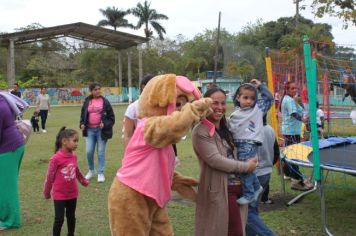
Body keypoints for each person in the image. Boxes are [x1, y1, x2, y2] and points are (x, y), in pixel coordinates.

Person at [192, 87, 257, 236]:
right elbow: (215, 160)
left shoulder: (227, 126)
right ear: (205, 104)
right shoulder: (200, 131)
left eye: (223, 103)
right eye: (215, 103)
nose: (220, 107)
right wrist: (246, 167)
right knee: (227, 231)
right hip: (220, 190)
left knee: (235, 230)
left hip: (239, 189)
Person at [229, 79, 274, 205]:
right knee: (248, 169)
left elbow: (269, 98)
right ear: (238, 98)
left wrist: (261, 86)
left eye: (252, 98)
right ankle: (256, 187)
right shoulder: (236, 113)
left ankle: (249, 194)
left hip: (248, 143)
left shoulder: (257, 110)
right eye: (245, 97)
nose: (249, 101)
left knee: (244, 169)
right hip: (239, 144)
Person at [43, 127, 89, 236]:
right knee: (59, 219)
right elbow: (50, 177)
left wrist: (83, 181)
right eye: (75, 141)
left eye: (77, 141)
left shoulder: (74, 156)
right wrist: (47, 192)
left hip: (72, 193)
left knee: (71, 217)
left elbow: (76, 171)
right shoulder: (55, 159)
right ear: (64, 141)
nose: (77, 144)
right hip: (59, 194)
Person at [245, 115, 279, 236]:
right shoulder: (270, 129)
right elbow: (276, 152)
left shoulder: (251, 131)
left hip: (255, 174)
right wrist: (268, 165)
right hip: (266, 173)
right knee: (252, 209)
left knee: (247, 213)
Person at [0, 91, 27, 232]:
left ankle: (10, 221)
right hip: (13, 146)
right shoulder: (2, 98)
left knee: (6, 187)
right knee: (4, 185)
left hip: (7, 149)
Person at [280, 81, 313, 191]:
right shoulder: (289, 100)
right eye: (292, 88)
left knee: (290, 153)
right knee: (293, 155)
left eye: (296, 88)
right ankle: (298, 179)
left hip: (291, 131)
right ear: (287, 89)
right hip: (291, 132)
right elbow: (293, 114)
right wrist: (303, 119)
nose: (295, 90)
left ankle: (289, 173)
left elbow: (299, 111)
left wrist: (305, 114)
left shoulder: (289, 99)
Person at [80, 82, 115, 183]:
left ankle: (100, 172)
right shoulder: (87, 101)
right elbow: (82, 115)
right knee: (89, 151)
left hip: (101, 132)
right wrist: (82, 124)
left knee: (100, 152)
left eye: (99, 89)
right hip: (89, 131)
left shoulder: (105, 102)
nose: (98, 91)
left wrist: (105, 124)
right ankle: (91, 170)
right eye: (95, 89)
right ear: (91, 91)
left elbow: (111, 118)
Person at [123, 74, 155, 149]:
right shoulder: (133, 107)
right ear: (144, 87)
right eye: (154, 85)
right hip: (140, 150)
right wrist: (129, 156)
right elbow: (127, 135)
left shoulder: (162, 107)